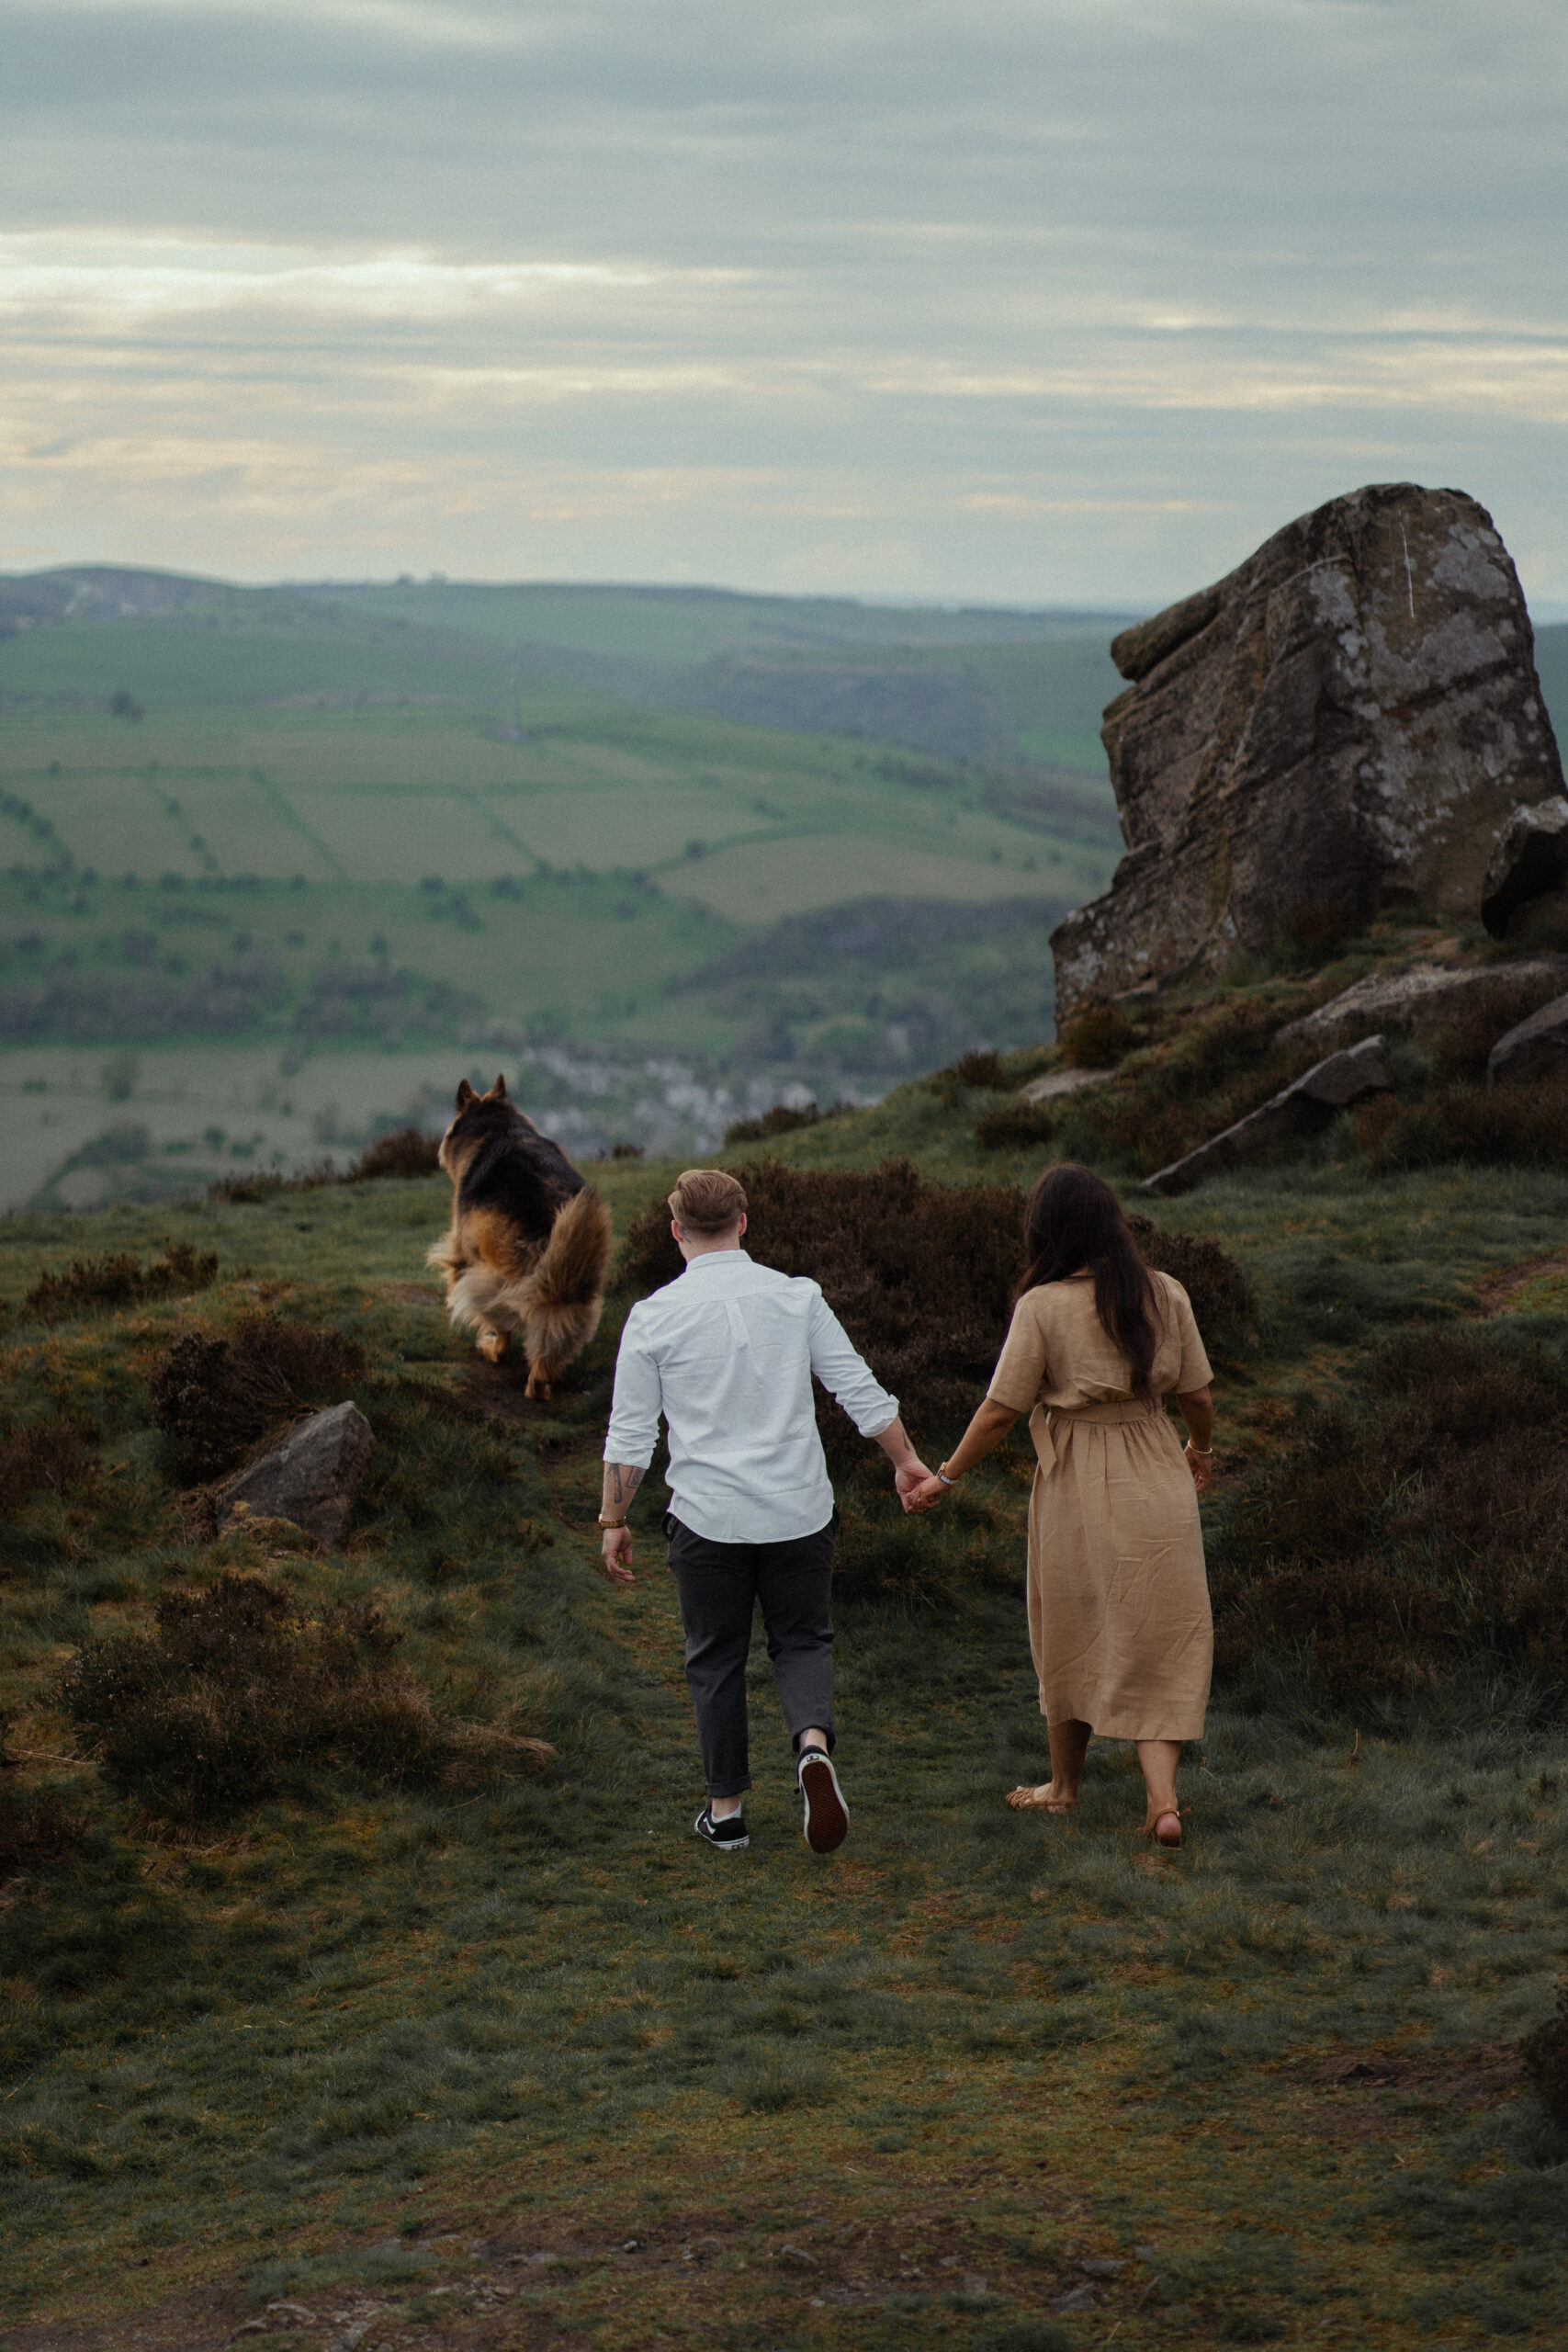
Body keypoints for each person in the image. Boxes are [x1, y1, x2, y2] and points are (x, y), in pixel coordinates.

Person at [600, 1168, 932, 1855]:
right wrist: (905, 1461)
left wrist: (612, 1520)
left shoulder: (653, 1316)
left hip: (706, 1518)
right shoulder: (796, 1298)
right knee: (803, 1639)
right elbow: (858, 1391)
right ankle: (811, 1747)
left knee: (715, 1657)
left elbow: (633, 1436)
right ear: (743, 1223)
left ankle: (725, 1814)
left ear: (675, 1232)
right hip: (799, 1510)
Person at [908, 1162, 1214, 1847]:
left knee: (1069, 1622)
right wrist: (1199, 1451)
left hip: (1077, 1477)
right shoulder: (1165, 1293)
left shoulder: (1042, 1306)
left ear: (1045, 1232)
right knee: (1160, 1635)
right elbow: (1197, 1396)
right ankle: (1162, 1801)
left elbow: (998, 1412)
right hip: (1157, 1468)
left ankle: (1065, 1788)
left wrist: (946, 1477)